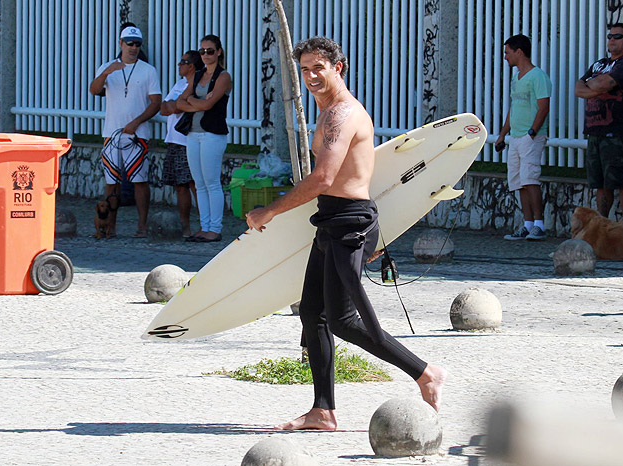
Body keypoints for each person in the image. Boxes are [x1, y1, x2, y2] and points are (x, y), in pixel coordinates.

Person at [246, 37, 446, 431]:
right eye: (304, 69)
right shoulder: (326, 113)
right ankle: (323, 411)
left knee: (345, 321)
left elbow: (323, 178)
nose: (311, 76)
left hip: (349, 224)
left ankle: (425, 373)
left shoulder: (344, 114)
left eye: (318, 67)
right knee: (312, 313)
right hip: (330, 220)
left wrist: (269, 210)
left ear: (340, 66)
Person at [89, 26, 161, 237]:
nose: (133, 48)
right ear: (121, 44)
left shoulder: (148, 70)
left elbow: (156, 102)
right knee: (111, 182)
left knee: (140, 180)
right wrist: (106, 73)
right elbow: (94, 90)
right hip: (112, 132)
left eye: (137, 44)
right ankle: (110, 226)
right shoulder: (107, 67)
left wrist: (137, 121)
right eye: (129, 43)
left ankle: (142, 225)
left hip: (138, 134)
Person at [575, 23, 623, 223]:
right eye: (610, 36)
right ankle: (602, 224)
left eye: (617, 37)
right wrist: (595, 87)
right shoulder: (599, 64)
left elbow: (602, 84)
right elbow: (579, 88)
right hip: (595, 133)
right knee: (601, 184)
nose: (612, 40)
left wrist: (594, 87)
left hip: (618, 133)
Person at [495, 34, 551, 241]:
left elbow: (543, 107)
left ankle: (539, 224)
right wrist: (503, 134)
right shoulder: (515, 77)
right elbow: (514, 107)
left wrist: (532, 132)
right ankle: (527, 224)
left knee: (530, 179)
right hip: (516, 138)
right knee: (518, 182)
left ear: (519, 52)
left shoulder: (538, 76)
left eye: (507, 52)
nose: (505, 57)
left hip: (530, 137)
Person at [176, 35, 231, 243]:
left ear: (218, 52)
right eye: (202, 51)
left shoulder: (223, 76)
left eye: (210, 51)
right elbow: (179, 102)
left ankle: (214, 229)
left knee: (212, 183)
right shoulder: (197, 75)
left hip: (212, 134)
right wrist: (195, 100)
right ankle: (204, 226)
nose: (206, 55)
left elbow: (210, 105)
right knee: (199, 183)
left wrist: (194, 101)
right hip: (193, 133)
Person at [160, 50, 203, 238]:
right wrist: (174, 105)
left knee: (194, 184)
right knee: (180, 185)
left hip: (188, 140)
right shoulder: (179, 83)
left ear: (191, 65)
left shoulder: (198, 85)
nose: (179, 65)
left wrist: (174, 105)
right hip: (174, 140)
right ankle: (185, 227)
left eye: (182, 62)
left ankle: (204, 224)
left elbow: (175, 105)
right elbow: (164, 108)